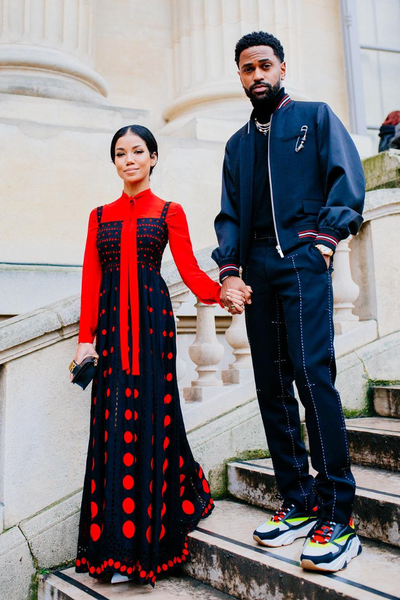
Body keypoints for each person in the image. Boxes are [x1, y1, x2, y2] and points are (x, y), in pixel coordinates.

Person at [212, 31, 365, 572]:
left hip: (302, 259)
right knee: (271, 386)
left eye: (265, 66)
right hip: (255, 272)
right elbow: (230, 214)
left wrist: (325, 241)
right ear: (239, 75)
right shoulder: (237, 144)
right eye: (247, 68)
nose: (257, 75)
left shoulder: (314, 117)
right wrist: (230, 271)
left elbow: (346, 178)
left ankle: (338, 513)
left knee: (312, 376)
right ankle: (298, 500)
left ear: (282, 68)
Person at [71, 124, 246, 586]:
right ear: (115, 162)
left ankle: (146, 543)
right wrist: (85, 338)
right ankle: (112, 546)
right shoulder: (98, 216)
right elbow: (91, 279)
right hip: (112, 333)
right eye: (120, 153)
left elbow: (189, 270)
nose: (128, 159)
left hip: (152, 330)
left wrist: (221, 293)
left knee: (152, 419)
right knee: (111, 426)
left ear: (152, 157)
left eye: (137, 151)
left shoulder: (170, 211)